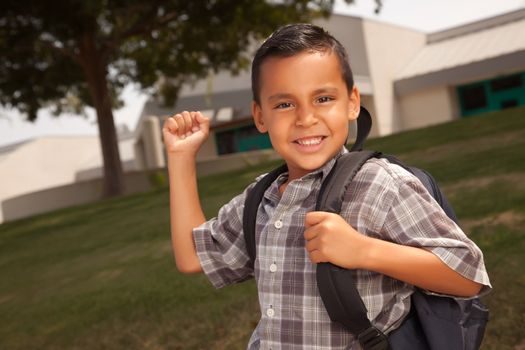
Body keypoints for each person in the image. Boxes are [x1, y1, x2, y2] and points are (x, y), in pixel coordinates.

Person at [162, 23, 491, 349]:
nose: (305, 118)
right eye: (284, 104)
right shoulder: (261, 199)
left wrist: (364, 250)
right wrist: (180, 158)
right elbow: (193, 257)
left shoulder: (380, 184)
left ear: (351, 103)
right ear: (260, 116)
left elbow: (468, 275)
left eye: (322, 98)